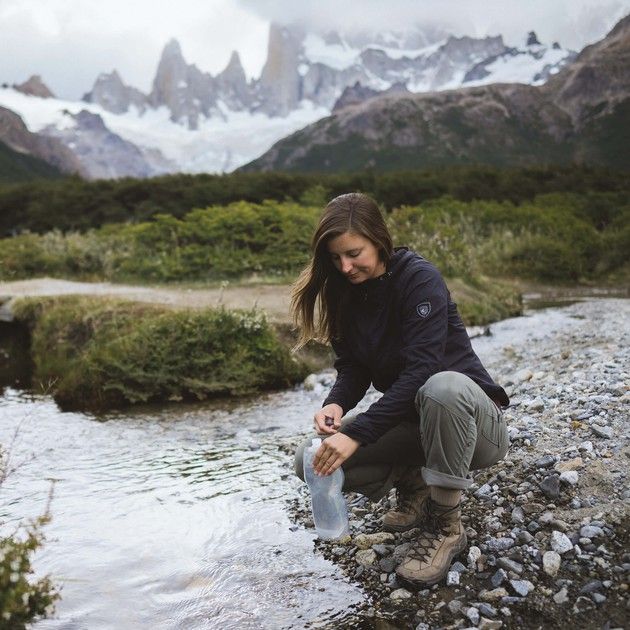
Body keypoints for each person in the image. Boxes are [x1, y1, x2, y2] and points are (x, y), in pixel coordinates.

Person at [291, 192, 510, 586]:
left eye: (354, 253)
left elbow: (421, 370)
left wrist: (357, 433)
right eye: (335, 258)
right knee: (309, 461)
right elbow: (354, 367)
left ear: (378, 238)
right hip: (416, 425)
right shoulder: (343, 292)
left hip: (476, 429)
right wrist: (336, 404)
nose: (345, 266)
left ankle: (445, 526)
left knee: (441, 387)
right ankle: (416, 484)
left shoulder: (418, 278)